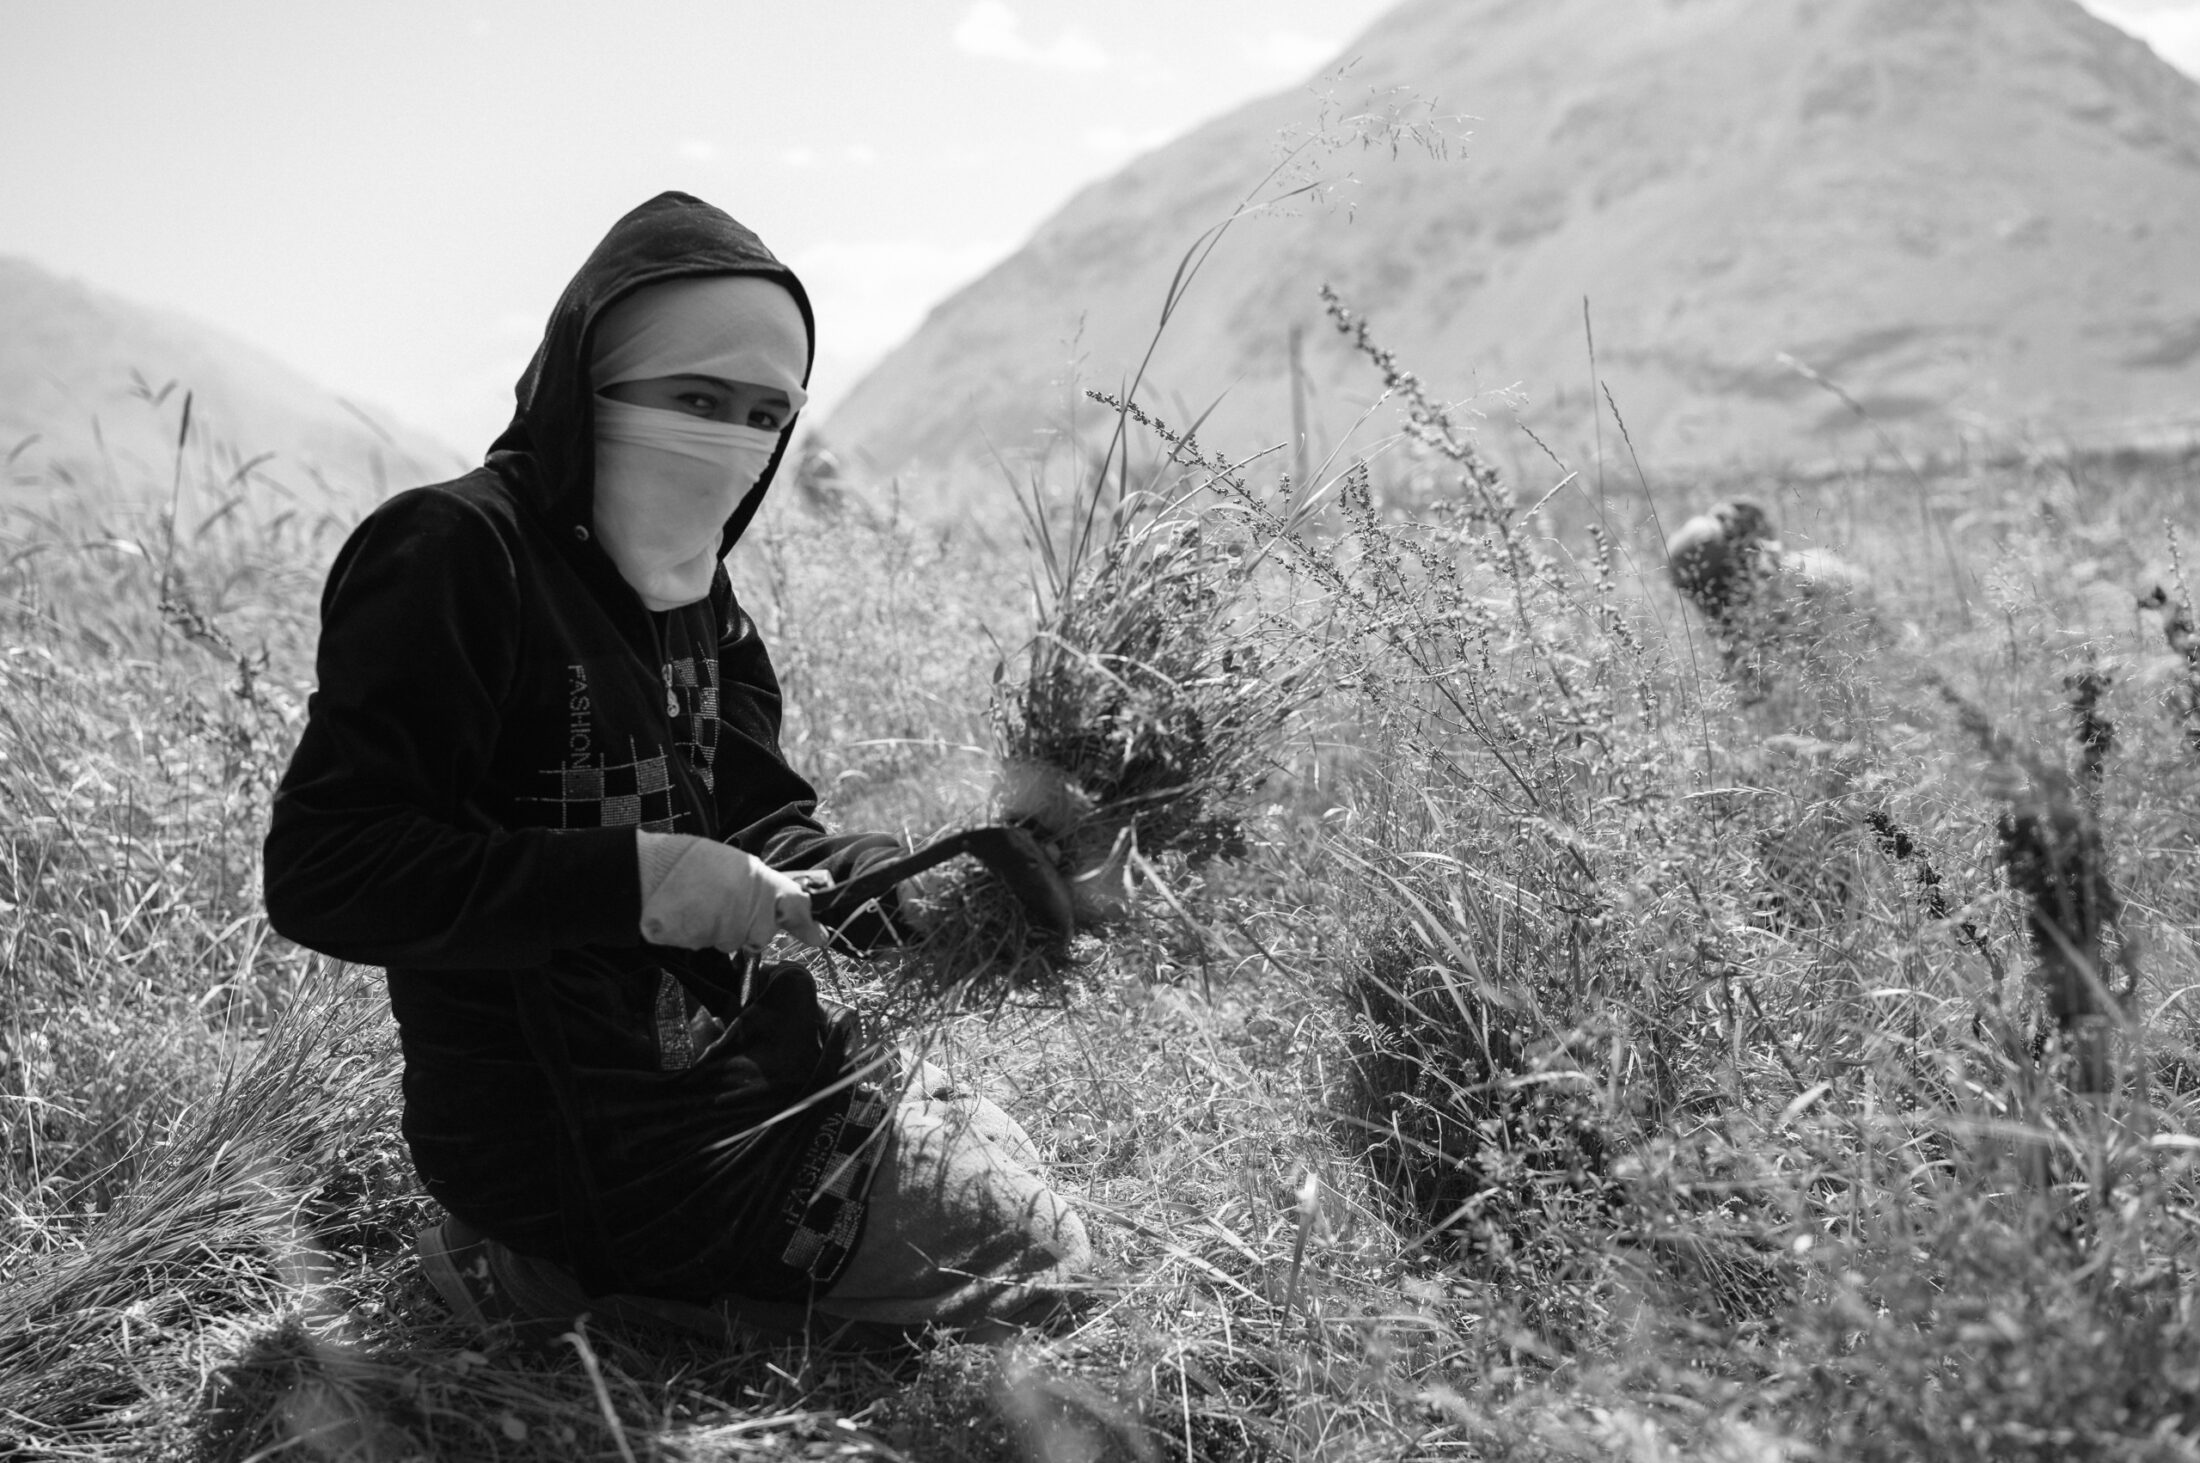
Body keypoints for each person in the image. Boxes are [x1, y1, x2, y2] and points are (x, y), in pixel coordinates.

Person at [263, 191, 1089, 1347]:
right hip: (576, 1138)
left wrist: (913, 889)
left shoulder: (696, 587)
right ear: (590, 383)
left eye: (764, 415)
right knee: (1033, 1264)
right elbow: (328, 870)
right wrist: (638, 882)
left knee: (1005, 1181)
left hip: (727, 1072)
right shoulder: (456, 552)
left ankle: (660, 1271)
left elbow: (760, 820)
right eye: (696, 401)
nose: (730, 442)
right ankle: (547, 1275)